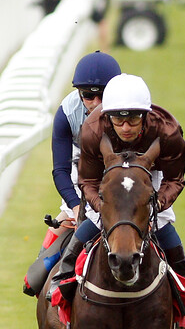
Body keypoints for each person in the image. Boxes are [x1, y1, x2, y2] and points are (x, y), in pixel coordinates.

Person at [48, 74, 185, 319]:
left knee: (164, 226)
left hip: (152, 173)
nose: (126, 127)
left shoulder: (168, 132)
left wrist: (157, 203)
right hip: (108, 175)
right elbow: (88, 180)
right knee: (93, 222)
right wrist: (101, 205)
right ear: (107, 116)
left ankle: (184, 290)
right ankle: (63, 277)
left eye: (134, 119)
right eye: (118, 119)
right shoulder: (93, 131)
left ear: (146, 115)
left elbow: (174, 179)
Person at [22, 51, 121, 297]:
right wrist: (76, 207)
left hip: (123, 186)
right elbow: (61, 170)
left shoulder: (130, 110)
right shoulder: (67, 112)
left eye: (103, 94)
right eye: (88, 95)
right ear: (79, 93)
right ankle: (54, 284)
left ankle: (181, 295)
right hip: (81, 184)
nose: (95, 102)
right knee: (35, 279)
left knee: (161, 236)